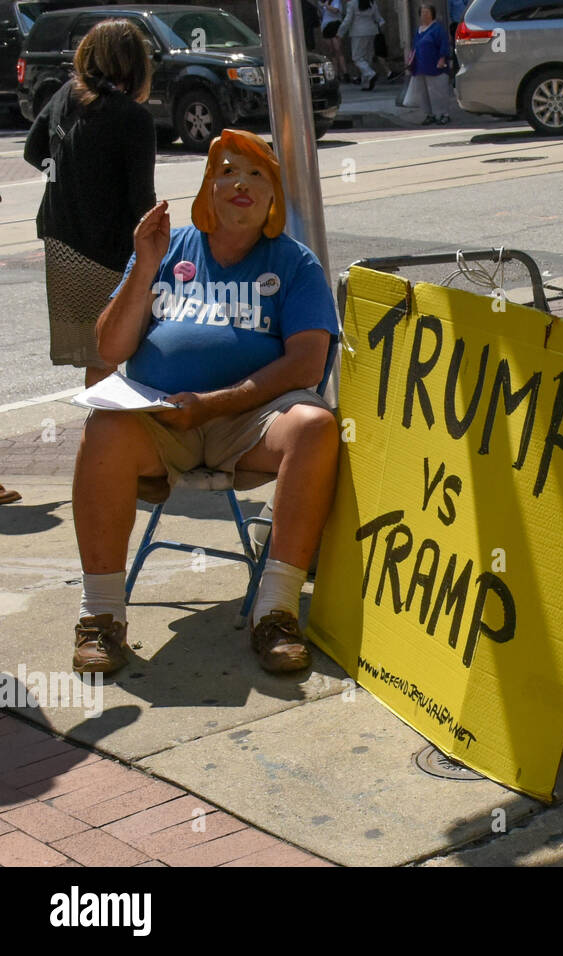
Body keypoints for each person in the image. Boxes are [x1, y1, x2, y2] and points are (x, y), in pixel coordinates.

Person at [72, 129, 340, 676]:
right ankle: (100, 617)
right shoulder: (168, 252)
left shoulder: (295, 264)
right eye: (226, 172)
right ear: (206, 188)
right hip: (160, 419)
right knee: (102, 427)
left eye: (256, 174)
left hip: (250, 424)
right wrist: (145, 264)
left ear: (273, 198)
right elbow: (109, 348)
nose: (240, 183)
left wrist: (215, 404)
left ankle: (276, 614)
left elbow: (307, 363)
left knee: (316, 426)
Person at [24, 20, 156, 388]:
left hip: (62, 239)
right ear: (135, 63)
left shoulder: (65, 94)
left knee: (97, 353)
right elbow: (142, 197)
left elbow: (33, 150)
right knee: (118, 347)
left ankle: (107, 431)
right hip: (111, 249)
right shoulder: (133, 117)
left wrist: (68, 174)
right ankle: (110, 435)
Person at [406, 3, 451, 125]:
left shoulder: (437, 29)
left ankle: (443, 114)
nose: (424, 15)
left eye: (427, 12)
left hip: (436, 66)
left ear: (432, 14)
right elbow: (414, 47)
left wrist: (442, 59)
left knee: (438, 92)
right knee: (423, 94)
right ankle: (429, 114)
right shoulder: (418, 30)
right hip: (421, 67)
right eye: (422, 12)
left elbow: (444, 45)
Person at [339, 0, 383, 90]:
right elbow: (378, 18)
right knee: (367, 57)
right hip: (372, 31)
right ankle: (366, 83)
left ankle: (370, 74)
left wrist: (340, 32)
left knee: (357, 58)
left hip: (358, 32)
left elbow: (348, 20)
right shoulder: (372, 2)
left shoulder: (352, 4)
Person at [319, 0, 348, 82]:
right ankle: (336, 74)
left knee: (338, 50)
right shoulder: (322, 2)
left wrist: (325, 6)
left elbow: (335, 10)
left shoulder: (335, 1)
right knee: (331, 52)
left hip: (335, 25)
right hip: (325, 27)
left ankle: (345, 73)